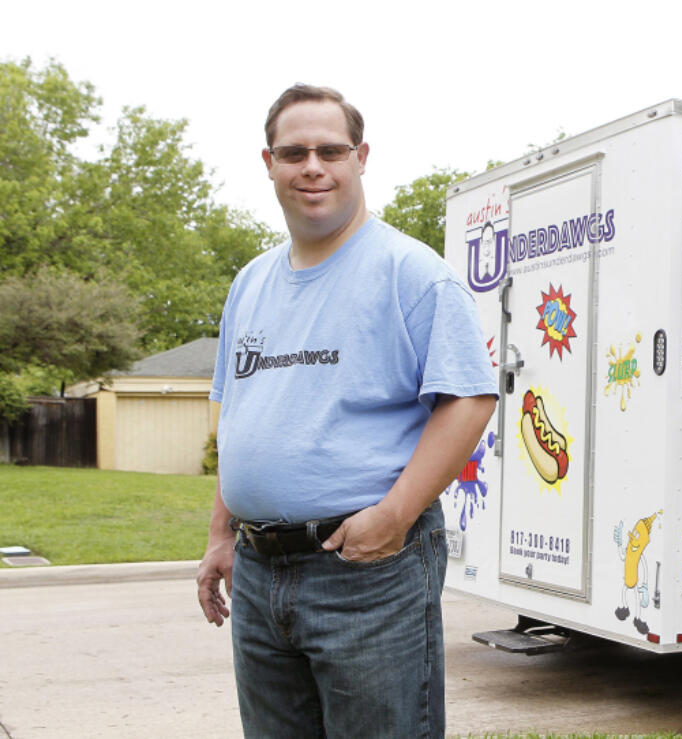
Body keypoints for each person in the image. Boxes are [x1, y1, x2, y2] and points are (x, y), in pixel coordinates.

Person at [195, 84, 497, 738]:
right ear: (268, 162)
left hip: (365, 572)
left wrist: (394, 514)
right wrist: (222, 533)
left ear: (360, 157)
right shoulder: (250, 283)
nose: (313, 166)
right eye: (293, 151)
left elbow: (470, 397)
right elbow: (239, 414)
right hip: (258, 571)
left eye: (330, 150)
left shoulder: (410, 272)